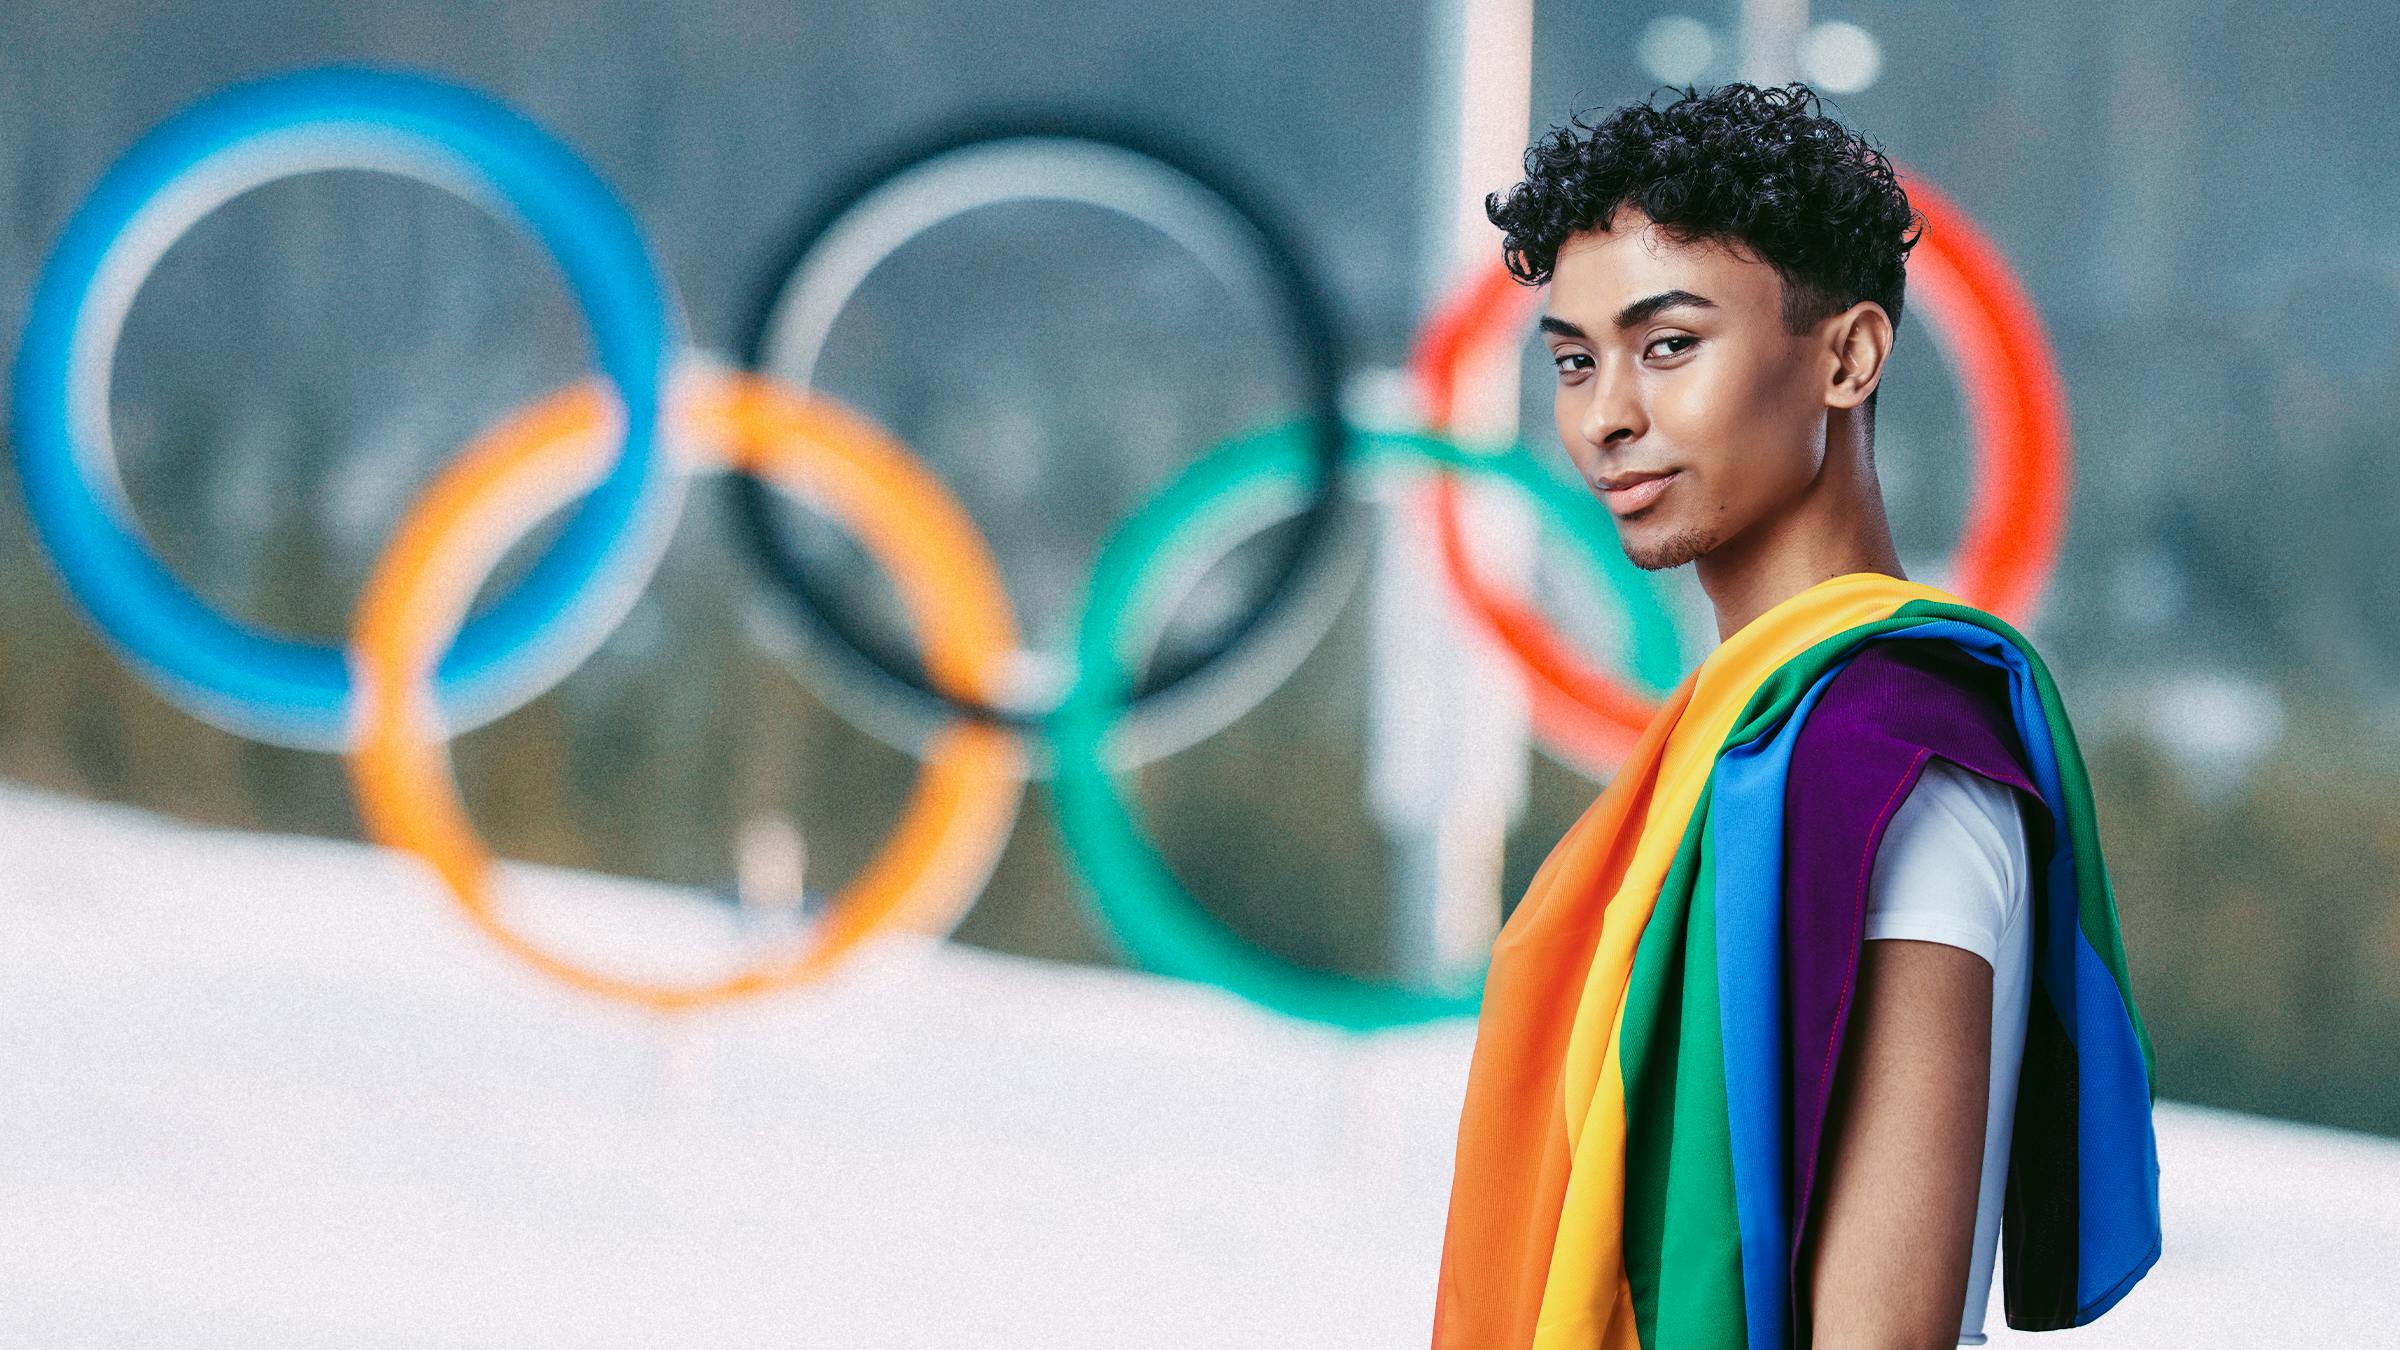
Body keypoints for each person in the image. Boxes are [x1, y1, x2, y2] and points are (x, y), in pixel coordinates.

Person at [1430, 84, 2161, 1349]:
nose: (1605, 416)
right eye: (1571, 359)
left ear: (1848, 356)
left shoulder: (1890, 762)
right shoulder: (1739, 742)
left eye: (1669, 346)